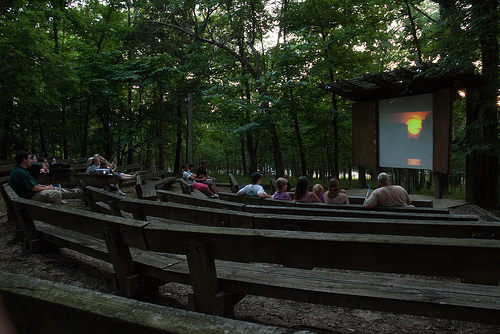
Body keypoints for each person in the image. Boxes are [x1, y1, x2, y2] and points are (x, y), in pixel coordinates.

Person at [8, 151, 84, 205]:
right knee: (55, 194)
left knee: (55, 188)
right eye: (29, 158)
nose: (31, 160)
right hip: (27, 198)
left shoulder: (22, 170)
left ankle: (80, 192)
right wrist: (47, 189)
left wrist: (46, 187)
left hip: (29, 194)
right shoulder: (20, 172)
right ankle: (52, 215)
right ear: (24, 160)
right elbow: (33, 188)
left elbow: (35, 185)